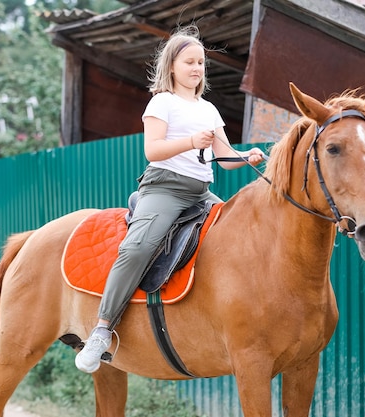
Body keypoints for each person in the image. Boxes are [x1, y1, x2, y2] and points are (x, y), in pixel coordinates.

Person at [74, 25, 266, 374]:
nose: (196, 69)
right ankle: (102, 330)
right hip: (164, 189)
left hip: (201, 193)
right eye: (189, 62)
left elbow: (223, 158)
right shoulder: (162, 102)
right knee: (137, 248)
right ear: (172, 67)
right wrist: (192, 142)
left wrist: (246, 157)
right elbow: (153, 149)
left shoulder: (208, 109)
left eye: (201, 64)